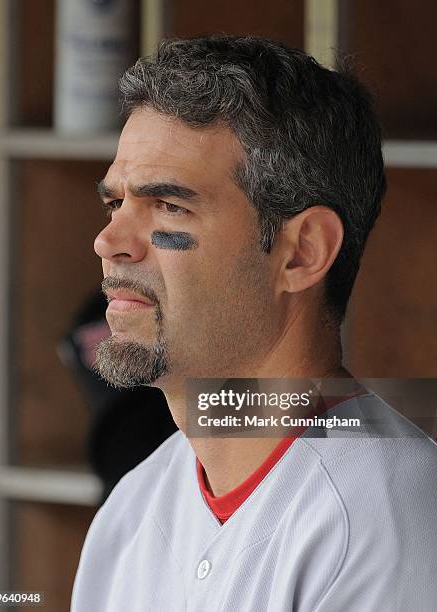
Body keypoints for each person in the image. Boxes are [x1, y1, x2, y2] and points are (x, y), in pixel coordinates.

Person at [71, 36, 437, 611]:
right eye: (114, 203)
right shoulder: (132, 512)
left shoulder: (388, 519)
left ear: (301, 253)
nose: (108, 241)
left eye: (169, 206)